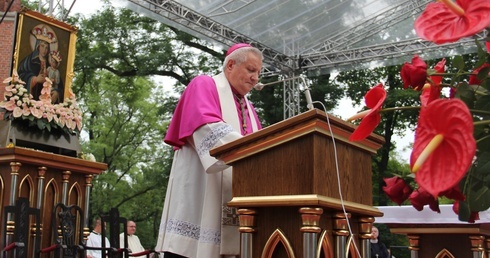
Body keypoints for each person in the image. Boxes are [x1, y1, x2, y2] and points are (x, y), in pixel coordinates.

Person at [155, 43, 263, 258]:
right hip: (201, 189)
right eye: (251, 70)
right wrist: (253, 150)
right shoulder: (204, 85)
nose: (255, 78)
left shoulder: (249, 108)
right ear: (231, 64)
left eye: (258, 73)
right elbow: (206, 127)